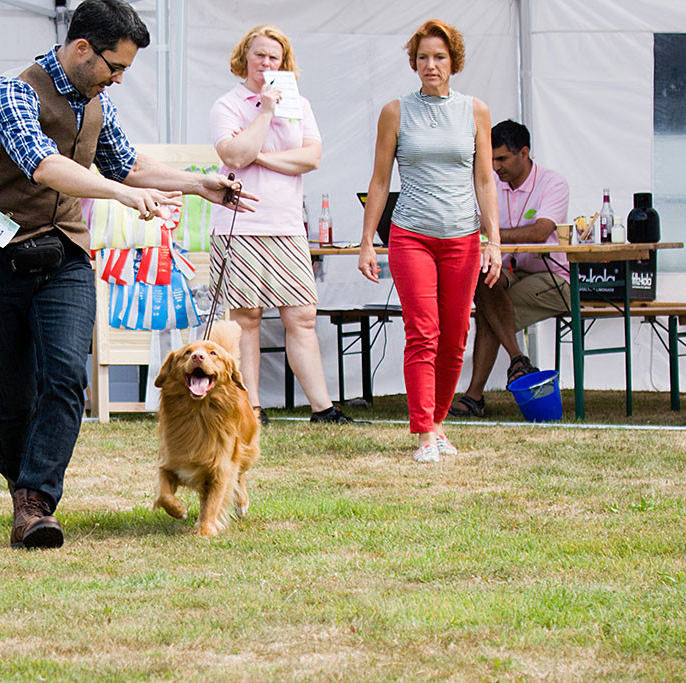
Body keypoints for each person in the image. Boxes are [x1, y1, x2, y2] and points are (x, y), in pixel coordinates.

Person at [0, 0, 249, 550]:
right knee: (17, 391)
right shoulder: (11, 92)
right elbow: (44, 164)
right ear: (82, 48)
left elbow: (125, 163)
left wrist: (196, 182)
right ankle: (22, 489)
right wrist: (123, 195)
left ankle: (37, 502)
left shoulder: (96, 101)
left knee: (66, 377)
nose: (117, 79)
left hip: (62, 254)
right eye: (115, 67)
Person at [358, 19, 502, 463]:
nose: (430, 65)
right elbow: (381, 181)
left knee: (456, 334)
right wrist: (367, 240)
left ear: (453, 61)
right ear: (414, 62)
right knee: (423, 331)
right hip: (411, 235)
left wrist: (492, 241)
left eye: (439, 57)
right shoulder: (395, 111)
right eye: (423, 57)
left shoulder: (475, 110)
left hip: (462, 236)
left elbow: (484, 179)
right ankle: (423, 432)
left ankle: (438, 423)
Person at [208, 24, 352, 426]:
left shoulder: (300, 105)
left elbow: (312, 157)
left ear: (283, 63)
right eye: (260, 55)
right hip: (239, 224)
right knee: (247, 318)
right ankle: (251, 408)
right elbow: (234, 155)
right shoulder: (228, 104)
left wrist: (263, 157)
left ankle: (322, 408)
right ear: (245, 58)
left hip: (288, 225)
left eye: (274, 57)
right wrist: (265, 112)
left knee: (302, 316)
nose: (266, 63)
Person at [450, 120, 570, 418]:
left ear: (525, 153)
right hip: (510, 273)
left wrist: (494, 233)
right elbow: (472, 225)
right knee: (483, 281)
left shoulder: (553, 183)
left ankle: (475, 396)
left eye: (501, 159)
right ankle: (517, 359)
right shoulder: (489, 181)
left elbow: (540, 232)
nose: (495, 166)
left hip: (552, 277)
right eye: (491, 159)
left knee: (490, 312)